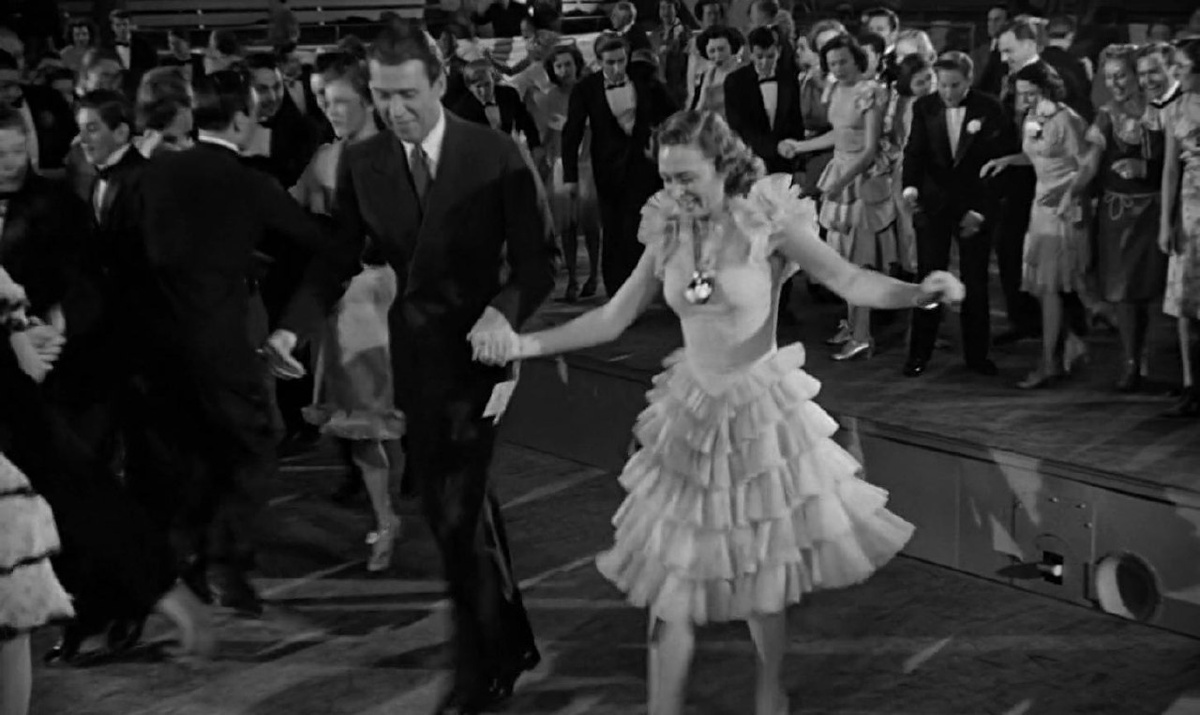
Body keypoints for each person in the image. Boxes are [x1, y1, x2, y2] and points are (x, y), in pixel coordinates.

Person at [476, 110, 962, 715]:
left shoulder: (768, 221)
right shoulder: (667, 229)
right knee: (673, 580)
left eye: (687, 177)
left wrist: (919, 294)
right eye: (666, 178)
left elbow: (850, 280)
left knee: (759, 576)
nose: (675, 191)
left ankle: (770, 691)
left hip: (757, 418)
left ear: (723, 167)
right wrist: (525, 344)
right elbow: (611, 318)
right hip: (689, 416)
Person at [264, 22, 556, 714]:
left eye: (407, 95)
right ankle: (510, 639)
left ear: (440, 83)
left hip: (484, 358)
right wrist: (291, 326)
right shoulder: (362, 163)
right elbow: (337, 257)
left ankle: (475, 670)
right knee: (462, 507)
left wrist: (504, 312)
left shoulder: (494, 153)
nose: (394, 110)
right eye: (382, 96)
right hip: (417, 360)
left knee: (454, 510)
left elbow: (538, 260)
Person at [291, 55, 405, 571]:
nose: (328, 109)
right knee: (364, 421)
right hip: (353, 304)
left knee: (406, 416)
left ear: (367, 99)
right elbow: (290, 216)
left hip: (401, 296)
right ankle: (385, 519)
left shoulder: (403, 152)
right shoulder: (325, 159)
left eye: (338, 100)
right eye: (321, 99)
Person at [901, 51, 1008, 377]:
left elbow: (999, 164)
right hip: (933, 204)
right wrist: (910, 189)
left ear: (969, 80)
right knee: (929, 279)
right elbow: (914, 152)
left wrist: (981, 211)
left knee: (975, 281)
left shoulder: (989, 108)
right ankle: (919, 354)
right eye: (943, 85)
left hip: (973, 204)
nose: (947, 92)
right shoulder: (924, 107)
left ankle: (977, 356)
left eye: (955, 85)